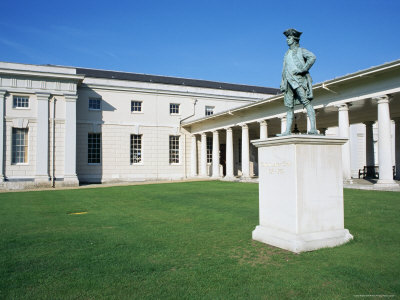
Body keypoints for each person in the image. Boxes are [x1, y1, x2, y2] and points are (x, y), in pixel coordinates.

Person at [278, 28, 318, 135]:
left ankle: (313, 128)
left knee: (306, 102)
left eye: (289, 38)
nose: (287, 40)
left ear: (295, 39)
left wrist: (303, 69)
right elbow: (284, 68)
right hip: (288, 82)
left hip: (299, 80)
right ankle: (287, 131)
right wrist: (283, 81)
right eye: (287, 38)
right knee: (289, 107)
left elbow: (312, 57)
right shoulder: (286, 53)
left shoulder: (301, 50)